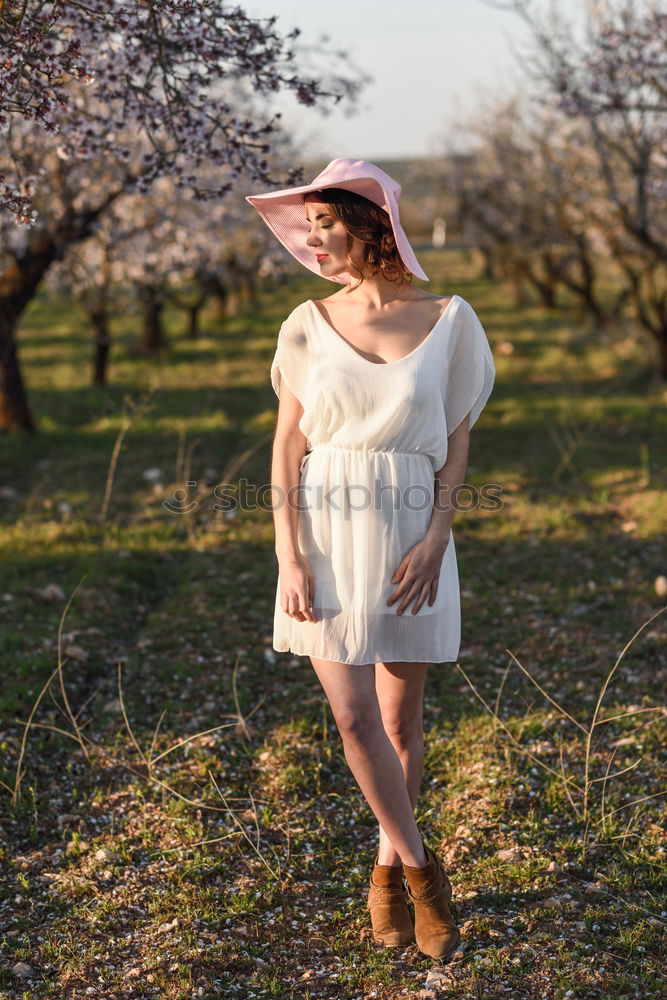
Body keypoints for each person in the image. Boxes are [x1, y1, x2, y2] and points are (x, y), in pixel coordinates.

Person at [246, 158, 495, 961]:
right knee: (353, 717)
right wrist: (288, 554)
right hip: (324, 525)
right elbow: (287, 444)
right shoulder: (307, 323)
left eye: (325, 225)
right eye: (307, 227)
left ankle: (385, 867)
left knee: (399, 719)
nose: (312, 242)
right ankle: (423, 872)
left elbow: (456, 448)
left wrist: (437, 540)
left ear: (371, 224)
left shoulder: (451, 318)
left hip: (411, 527)